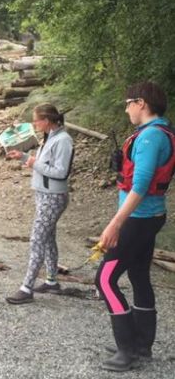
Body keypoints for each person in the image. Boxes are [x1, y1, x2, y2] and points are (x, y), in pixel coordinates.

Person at [95, 82, 174, 372]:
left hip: (138, 220)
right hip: (148, 217)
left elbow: (140, 186)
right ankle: (142, 345)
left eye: (128, 103)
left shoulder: (151, 136)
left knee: (105, 280)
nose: (126, 109)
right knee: (139, 275)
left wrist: (115, 224)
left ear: (141, 103)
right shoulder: (156, 132)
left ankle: (126, 348)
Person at [4, 104, 74, 305]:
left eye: (36, 120)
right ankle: (51, 281)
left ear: (47, 120)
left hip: (53, 197)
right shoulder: (50, 137)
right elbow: (44, 165)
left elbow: (61, 172)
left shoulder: (63, 140)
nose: (34, 124)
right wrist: (24, 157)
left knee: (37, 239)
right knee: (48, 237)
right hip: (43, 195)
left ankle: (26, 288)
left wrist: (34, 163)